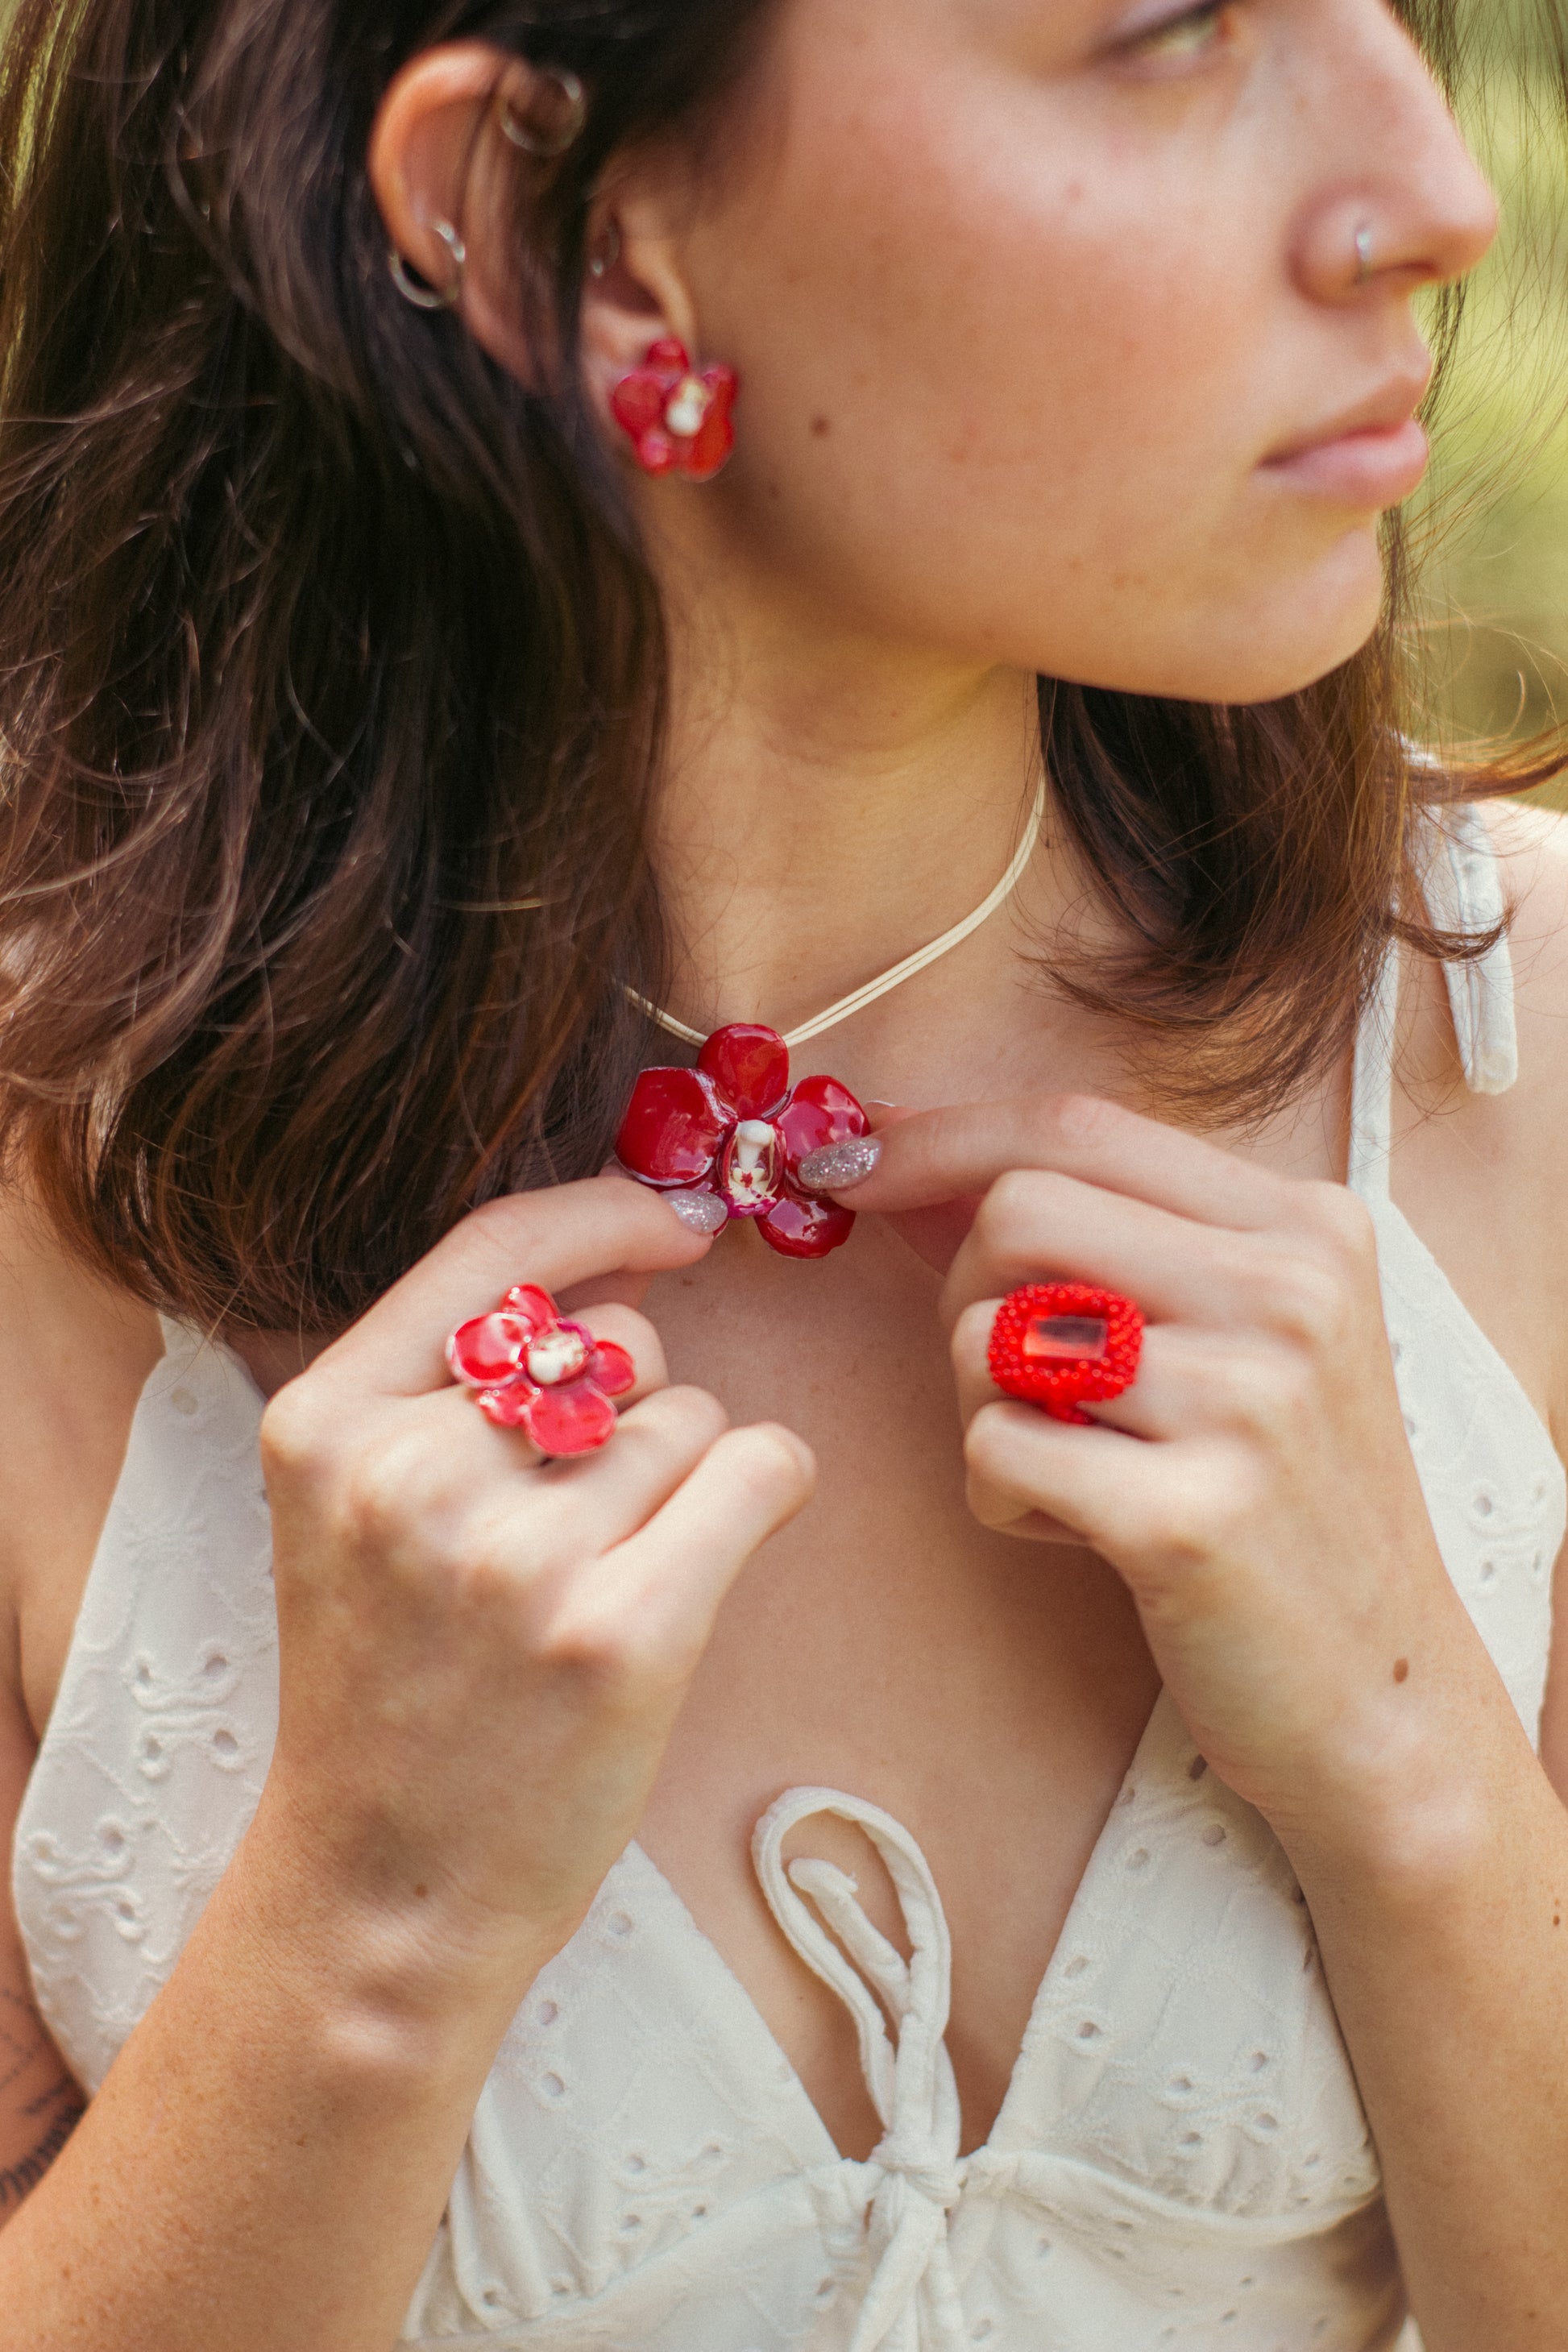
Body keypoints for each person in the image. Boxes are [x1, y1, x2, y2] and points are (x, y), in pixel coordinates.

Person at [1, 0, 1566, 2343]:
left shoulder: (1514, 1048)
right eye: (1167, 31)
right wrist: (366, 1928)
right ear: (558, 222)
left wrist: (1412, 1763)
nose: (1430, 193)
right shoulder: (41, 1187)